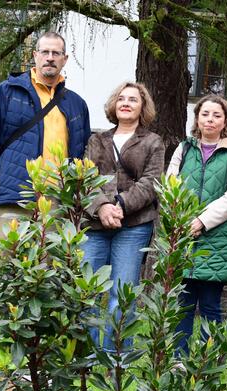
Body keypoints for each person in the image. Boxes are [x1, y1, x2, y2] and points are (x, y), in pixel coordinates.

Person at [0, 31, 90, 374]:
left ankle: (37, 352)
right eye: (45, 52)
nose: (50, 58)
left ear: (65, 60)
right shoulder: (8, 92)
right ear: (34, 56)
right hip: (12, 196)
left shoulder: (76, 104)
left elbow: (78, 156)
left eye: (57, 53)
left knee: (49, 278)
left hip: (56, 204)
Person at [83, 82, 164, 352]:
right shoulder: (97, 140)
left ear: (143, 107)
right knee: (88, 292)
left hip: (133, 227)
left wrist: (120, 205)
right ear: (114, 105)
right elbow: (86, 179)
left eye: (133, 99)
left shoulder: (153, 142)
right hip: (94, 225)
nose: (126, 103)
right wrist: (103, 207)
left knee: (123, 294)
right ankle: (87, 358)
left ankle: (115, 358)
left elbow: (151, 182)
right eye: (121, 98)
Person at [166, 95, 227, 354]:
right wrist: (182, 218)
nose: (210, 119)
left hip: (218, 235)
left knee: (211, 303)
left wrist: (202, 220)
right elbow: (170, 184)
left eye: (216, 115)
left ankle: (207, 360)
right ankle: (179, 359)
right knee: (184, 302)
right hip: (184, 234)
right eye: (205, 114)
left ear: (225, 121)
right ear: (197, 119)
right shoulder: (185, 148)